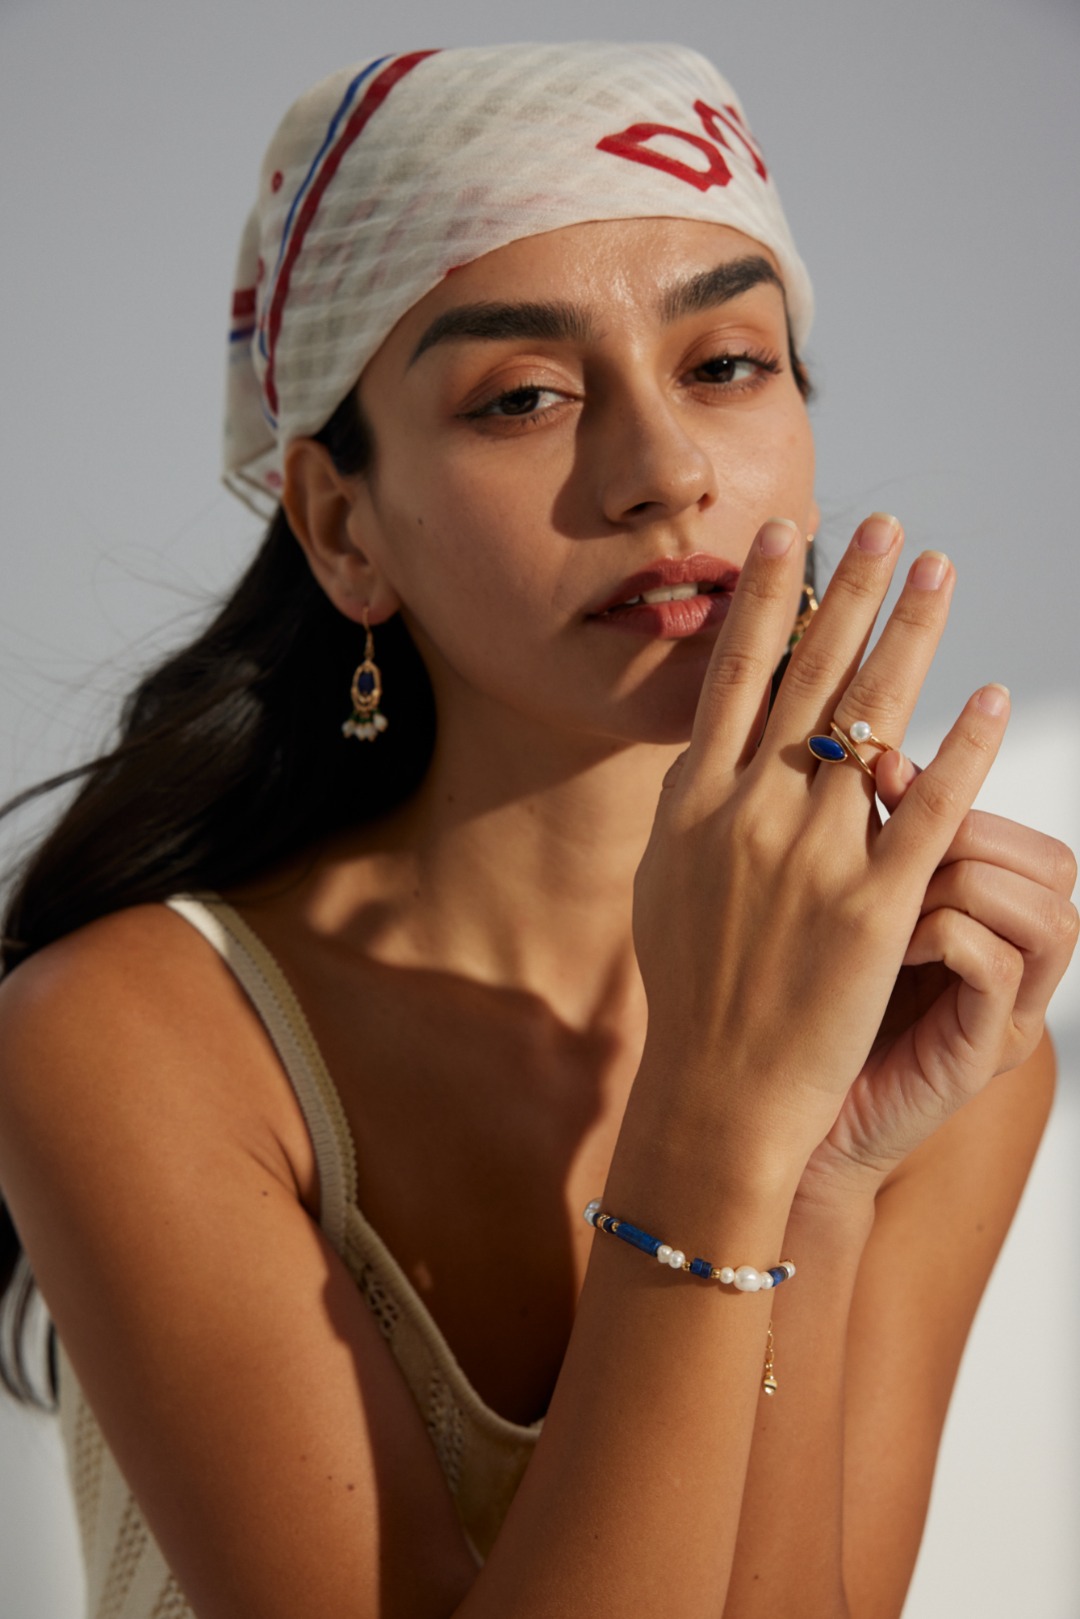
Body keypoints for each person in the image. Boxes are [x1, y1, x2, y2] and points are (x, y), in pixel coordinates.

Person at [0, 41, 1074, 1619]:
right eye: (524, 397)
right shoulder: (130, 1037)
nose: (666, 471)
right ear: (342, 527)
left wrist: (824, 1181)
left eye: (727, 365)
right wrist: (718, 1120)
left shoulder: (937, 1040)